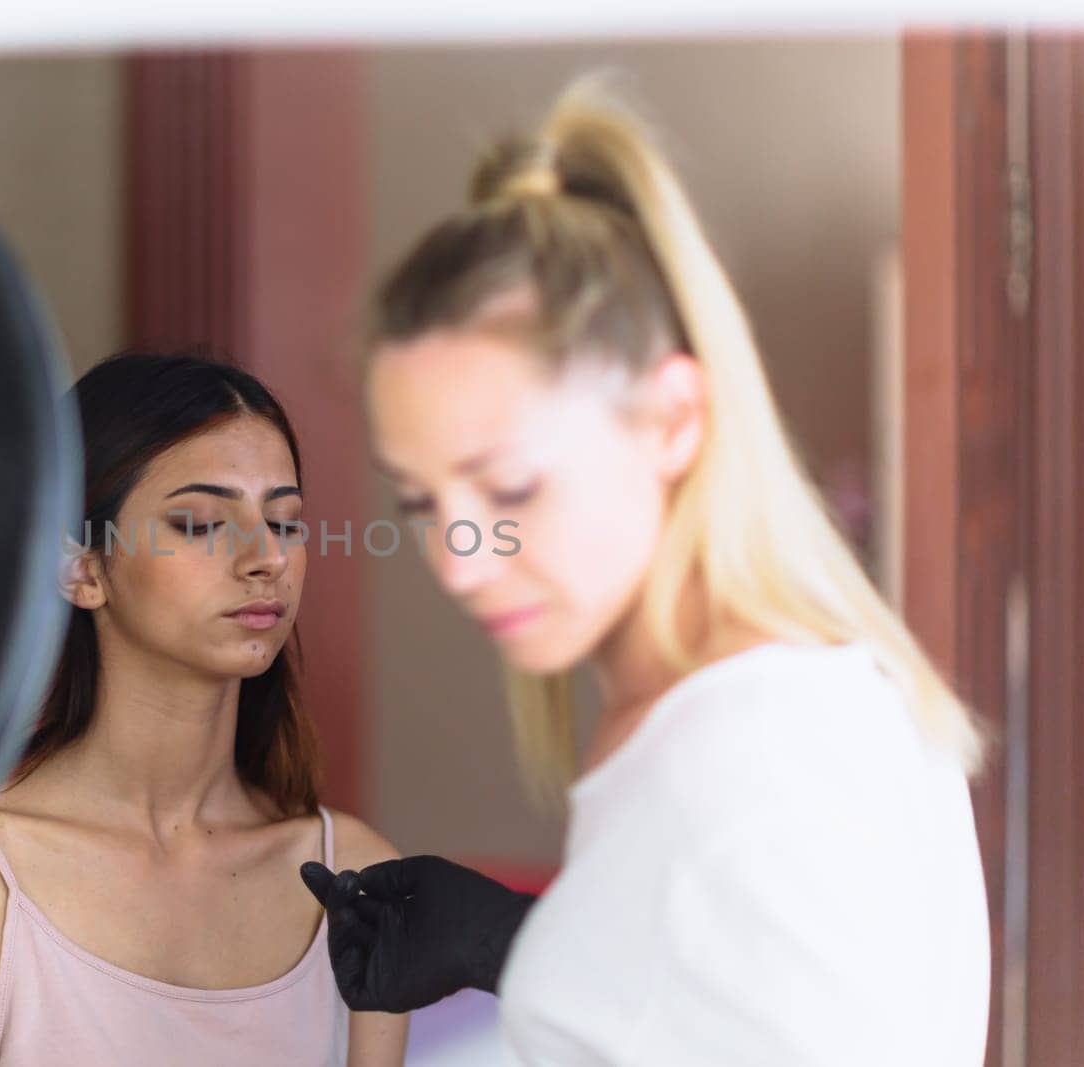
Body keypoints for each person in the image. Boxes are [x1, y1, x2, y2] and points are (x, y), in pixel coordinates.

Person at [300, 80, 991, 1066]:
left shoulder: (775, 756)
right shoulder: (708, 717)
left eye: (508, 486)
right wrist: (527, 942)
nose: (457, 558)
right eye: (418, 500)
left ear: (672, 420)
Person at [0, 351, 408, 1066]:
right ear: (81, 566)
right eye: (202, 523)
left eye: (287, 521)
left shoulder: (355, 877)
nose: (266, 556)